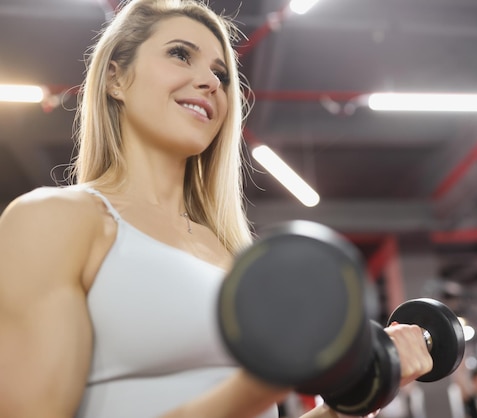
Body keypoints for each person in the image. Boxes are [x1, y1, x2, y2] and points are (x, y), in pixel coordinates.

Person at [0, 1, 434, 417]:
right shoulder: (55, 220)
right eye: (180, 54)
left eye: (221, 74)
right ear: (115, 78)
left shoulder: (235, 254)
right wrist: (266, 379)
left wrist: (350, 404)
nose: (209, 81)